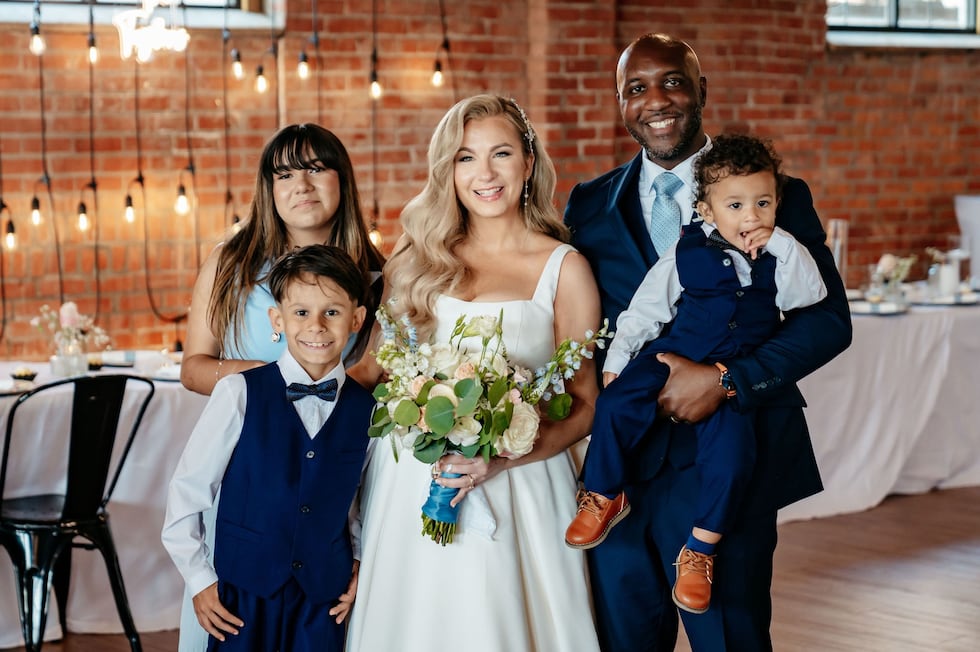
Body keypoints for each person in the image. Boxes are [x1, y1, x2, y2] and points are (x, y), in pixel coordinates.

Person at [564, 33, 851, 651]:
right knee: (622, 638)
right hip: (623, 473)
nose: (656, 100)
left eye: (671, 80)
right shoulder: (588, 205)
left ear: (701, 90)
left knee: (729, 638)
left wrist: (727, 380)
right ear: (620, 103)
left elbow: (828, 321)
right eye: (635, 88)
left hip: (731, 459)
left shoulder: (776, 194)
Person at [346, 94, 602, 651]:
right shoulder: (415, 260)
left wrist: (500, 456)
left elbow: (586, 403)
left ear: (528, 164)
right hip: (412, 481)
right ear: (447, 170)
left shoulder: (564, 267)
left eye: (501, 154)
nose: (484, 174)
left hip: (518, 482)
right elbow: (372, 370)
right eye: (465, 157)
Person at [176, 123, 384, 651]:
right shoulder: (231, 263)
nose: (302, 183)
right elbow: (194, 368)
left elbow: (370, 381)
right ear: (268, 187)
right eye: (285, 172)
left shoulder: (377, 276)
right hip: (252, 495)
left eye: (317, 168)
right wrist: (269, 385)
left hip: (331, 496)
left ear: (343, 180)